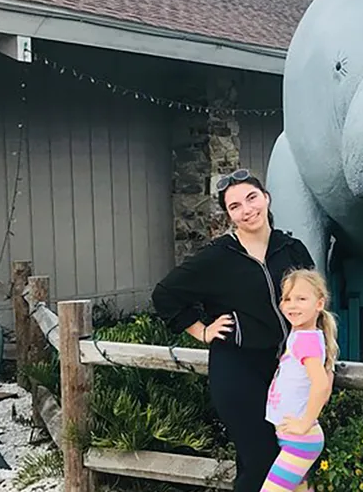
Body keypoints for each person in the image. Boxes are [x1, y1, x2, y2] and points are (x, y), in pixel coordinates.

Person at [151, 168, 316, 492]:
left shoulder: (292, 249)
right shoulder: (217, 257)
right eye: (235, 206)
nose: (247, 209)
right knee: (261, 459)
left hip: (288, 370)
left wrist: (317, 352)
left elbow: (313, 299)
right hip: (238, 369)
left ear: (266, 198)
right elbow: (165, 295)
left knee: (292, 458)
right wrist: (200, 331)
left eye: (251, 198)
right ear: (229, 215)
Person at [261, 269, 339, 492]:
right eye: (287, 299)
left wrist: (304, 423)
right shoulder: (303, 335)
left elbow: (321, 384)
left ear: (319, 304)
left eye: (301, 299)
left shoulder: (305, 340)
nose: (292, 305)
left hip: (299, 441)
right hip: (292, 437)